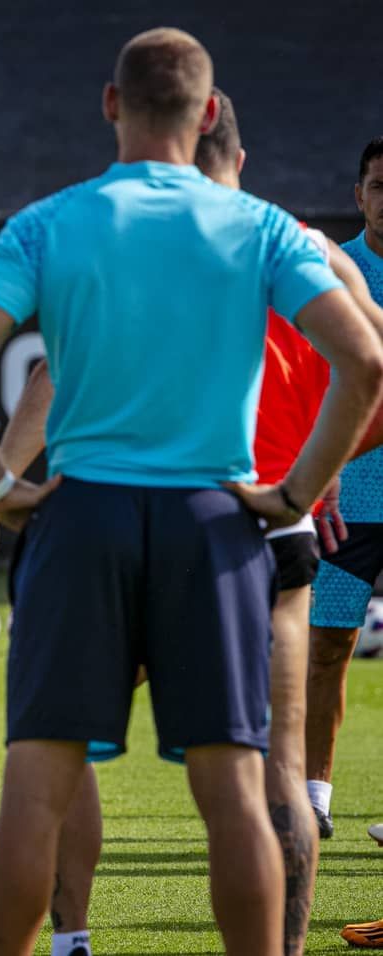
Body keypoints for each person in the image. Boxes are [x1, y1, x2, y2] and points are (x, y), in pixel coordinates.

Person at [0, 28, 383, 956]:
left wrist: (2, 489)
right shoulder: (258, 227)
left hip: (81, 515)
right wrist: (296, 494)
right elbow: (366, 360)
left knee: (35, 786)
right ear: (210, 115)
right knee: (235, 790)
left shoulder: (50, 223)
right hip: (216, 525)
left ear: (109, 105)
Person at [307, 135, 383, 842]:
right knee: (327, 646)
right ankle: (314, 798)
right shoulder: (331, 273)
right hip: (343, 500)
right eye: (379, 185)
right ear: (360, 195)